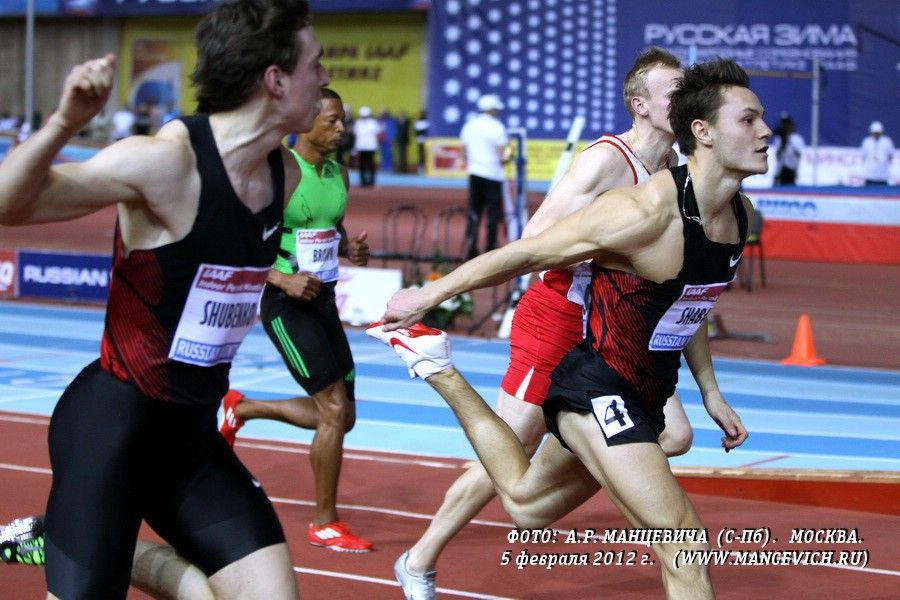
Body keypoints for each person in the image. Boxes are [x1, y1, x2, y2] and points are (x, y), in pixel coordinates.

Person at [373, 57, 761, 600]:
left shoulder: (710, 195)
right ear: (646, 107)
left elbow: (687, 294)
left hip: (626, 336)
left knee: (534, 503)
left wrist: (710, 392)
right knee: (524, 453)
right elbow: (532, 245)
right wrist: (430, 294)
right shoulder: (616, 172)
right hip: (564, 316)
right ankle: (420, 556)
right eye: (749, 120)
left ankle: (609, 456)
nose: (766, 132)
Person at [0, 0, 330, 597]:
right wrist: (64, 123)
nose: (326, 78)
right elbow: (8, 203)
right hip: (110, 433)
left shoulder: (283, 173)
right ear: (275, 80)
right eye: (316, 65)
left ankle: (98, 546)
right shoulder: (166, 164)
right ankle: (84, 540)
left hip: (190, 440)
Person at [219, 87, 374, 552]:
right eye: (332, 121)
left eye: (344, 121)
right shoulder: (278, 171)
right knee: (333, 409)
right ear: (306, 122)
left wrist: (349, 248)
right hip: (284, 304)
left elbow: (328, 228)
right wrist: (282, 280)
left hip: (323, 301)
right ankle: (324, 523)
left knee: (344, 416)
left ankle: (241, 408)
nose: (342, 129)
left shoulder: (339, 173)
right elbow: (234, 240)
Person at [460, 94, 512, 259]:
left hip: (475, 173)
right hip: (493, 175)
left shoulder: (469, 126)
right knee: (493, 213)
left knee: (474, 211)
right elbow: (505, 154)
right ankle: (490, 248)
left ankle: (471, 247)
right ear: (491, 109)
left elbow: (463, 152)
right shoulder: (497, 127)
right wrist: (509, 156)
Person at [772, 113, 804, 185]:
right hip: (779, 172)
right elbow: (778, 156)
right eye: (782, 124)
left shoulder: (797, 138)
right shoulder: (779, 139)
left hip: (791, 172)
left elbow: (798, 155)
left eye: (786, 124)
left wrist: (789, 142)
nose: (784, 126)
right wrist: (783, 144)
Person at [860, 121, 895, 186]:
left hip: (883, 176)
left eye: (878, 133)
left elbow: (890, 155)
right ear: (871, 132)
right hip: (869, 175)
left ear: (881, 132)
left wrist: (885, 164)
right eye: (874, 133)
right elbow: (863, 156)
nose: (876, 135)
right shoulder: (866, 142)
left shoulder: (887, 141)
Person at [353, 105, 380, 187]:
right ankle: (365, 181)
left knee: (368, 164)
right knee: (365, 164)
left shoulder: (360, 123)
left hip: (368, 146)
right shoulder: (371, 122)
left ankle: (368, 181)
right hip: (365, 146)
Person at [414, 109, 429, 174]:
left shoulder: (428, 122)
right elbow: (416, 132)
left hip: (427, 141)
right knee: (420, 154)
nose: (423, 115)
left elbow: (428, 132)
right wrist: (420, 135)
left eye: (424, 114)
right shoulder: (418, 122)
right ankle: (421, 167)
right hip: (420, 140)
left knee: (426, 154)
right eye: (422, 114)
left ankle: (427, 166)